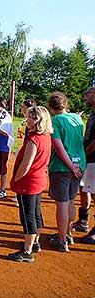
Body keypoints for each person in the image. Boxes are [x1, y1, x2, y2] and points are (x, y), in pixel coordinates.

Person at [8, 106, 53, 262]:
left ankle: (27, 252)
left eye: (32, 117)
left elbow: (26, 165)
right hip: (39, 179)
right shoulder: (46, 136)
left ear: (39, 120)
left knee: (28, 217)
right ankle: (35, 243)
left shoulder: (34, 139)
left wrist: (16, 179)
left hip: (29, 182)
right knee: (35, 213)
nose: (28, 120)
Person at [47, 92, 86, 252]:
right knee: (71, 200)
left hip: (63, 167)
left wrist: (70, 165)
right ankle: (68, 234)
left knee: (62, 203)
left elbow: (58, 146)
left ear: (51, 107)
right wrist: (75, 165)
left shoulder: (56, 121)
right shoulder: (76, 118)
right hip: (79, 164)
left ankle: (62, 239)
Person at [78, 87, 95, 244]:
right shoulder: (92, 114)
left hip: (93, 159)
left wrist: (85, 153)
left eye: (88, 94)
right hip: (89, 160)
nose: (85, 97)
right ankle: (83, 221)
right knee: (84, 189)